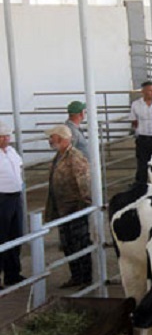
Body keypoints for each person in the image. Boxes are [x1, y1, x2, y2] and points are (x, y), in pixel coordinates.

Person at [44, 124, 92, 289]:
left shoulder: (75, 157)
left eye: (53, 137)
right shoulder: (60, 156)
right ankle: (76, 276)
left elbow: (84, 184)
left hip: (75, 209)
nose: (50, 140)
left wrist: (84, 205)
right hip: (63, 209)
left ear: (62, 139)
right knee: (68, 244)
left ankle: (86, 278)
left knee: (80, 243)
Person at [0, 121, 25, 289]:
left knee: (15, 234)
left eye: (7, 136)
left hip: (15, 197)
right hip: (1, 198)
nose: (6, 139)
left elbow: (20, 167)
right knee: (1, 236)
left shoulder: (11, 151)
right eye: (2, 136)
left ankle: (13, 273)